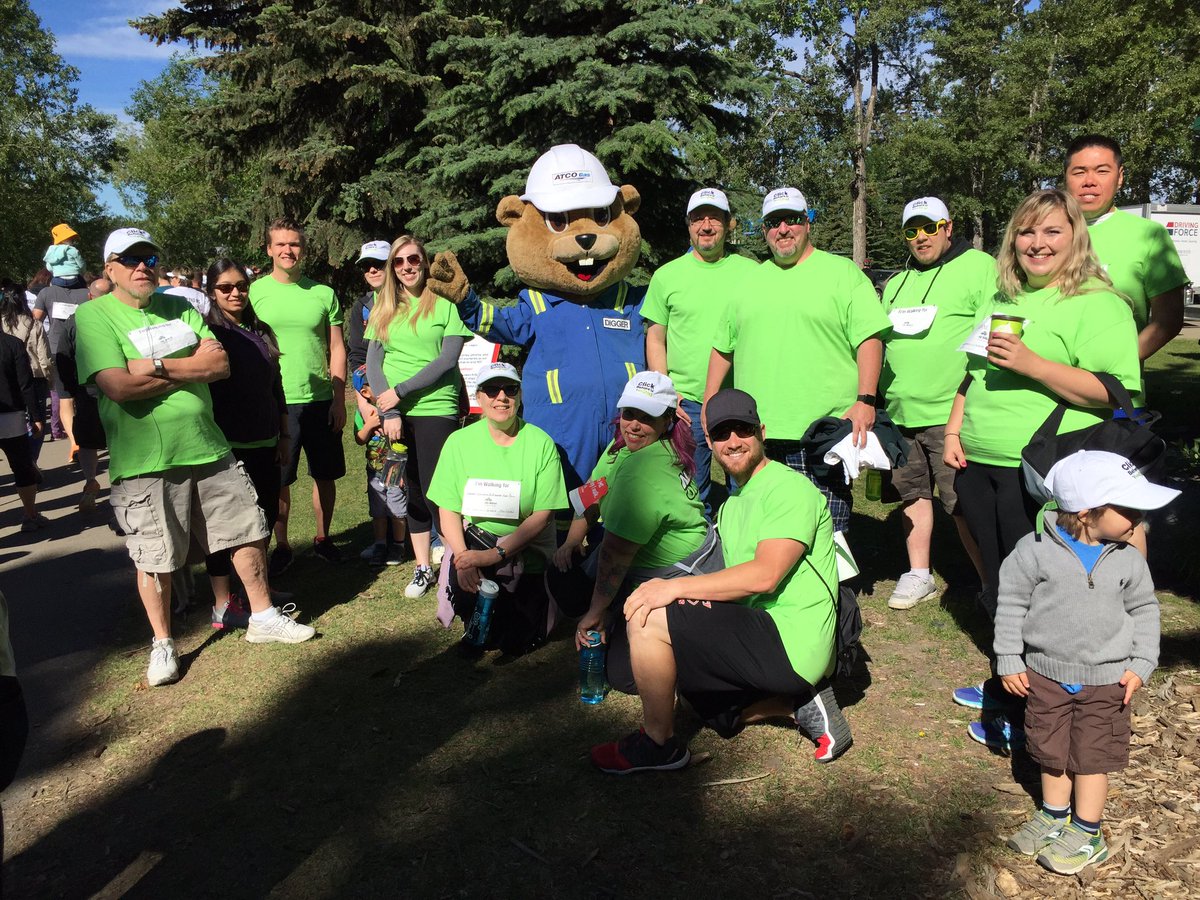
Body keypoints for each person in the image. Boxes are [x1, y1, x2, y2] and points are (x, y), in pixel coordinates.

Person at [942, 190, 1142, 747]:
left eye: (1052, 231)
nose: (1037, 243)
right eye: (1027, 232)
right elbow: (971, 376)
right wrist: (956, 432)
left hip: (1041, 467)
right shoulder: (1001, 297)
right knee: (1004, 585)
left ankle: (1036, 709)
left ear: (1075, 236)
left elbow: (1116, 393)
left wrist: (1034, 365)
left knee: (1039, 592)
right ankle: (1012, 681)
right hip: (978, 459)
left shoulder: (1098, 303)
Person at [76, 228, 315, 687]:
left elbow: (219, 365)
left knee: (247, 530)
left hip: (208, 446)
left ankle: (263, 616)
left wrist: (154, 367)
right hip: (144, 460)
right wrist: (187, 369)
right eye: (129, 259)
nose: (142, 266)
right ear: (110, 269)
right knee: (156, 556)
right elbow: (118, 386)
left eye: (148, 257)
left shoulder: (182, 307)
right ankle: (163, 644)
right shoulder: (94, 317)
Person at [590, 389, 851, 774]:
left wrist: (673, 588)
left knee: (650, 617)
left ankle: (657, 745)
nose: (733, 442)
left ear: (761, 432)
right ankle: (796, 703)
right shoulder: (733, 503)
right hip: (758, 632)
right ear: (708, 442)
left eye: (742, 430)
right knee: (701, 705)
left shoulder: (788, 488)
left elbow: (765, 575)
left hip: (792, 639)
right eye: (722, 433)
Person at [994, 449, 1177, 875]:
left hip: (1108, 681)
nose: (1137, 519)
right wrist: (1008, 657)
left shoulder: (1128, 558)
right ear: (1086, 510)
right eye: (1128, 508)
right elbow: (1011, 604)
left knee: (1092, 756)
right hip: (1045, 675)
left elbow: (1145, 611)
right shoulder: (1034, 550)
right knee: (1050, 750)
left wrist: (1142, 661)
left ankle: (1087, 830)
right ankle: (1054, 815)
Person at [705, 187, 891, 533]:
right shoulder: (749, 282)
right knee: (759, 529)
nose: (783, 229)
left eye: (793, 219)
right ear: (763, 230)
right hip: (756, 434)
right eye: (774, 222)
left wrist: (866, 400)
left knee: (826, 532)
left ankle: (831, 589)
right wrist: (708, 399)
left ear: (808, 223)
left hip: (823, 431)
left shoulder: (843, 273)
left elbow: (870, 338)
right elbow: (722, 347)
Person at [555, 372, 713, 683]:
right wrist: (571, 543)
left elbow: (615, 555)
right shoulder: (622, 451)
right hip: (645, 564)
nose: (634, 425)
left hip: (677, 573)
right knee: (562, 577)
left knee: (624, 675)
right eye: (629, 414)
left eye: (647, 417)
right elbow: (590, 497)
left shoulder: (644, 470)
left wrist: (595, 613)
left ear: (667, 420)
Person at [879, 197, 989, 609]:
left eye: (928, 227)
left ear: (948, 227)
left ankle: (991, 585)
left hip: (951, 415)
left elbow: (990, 331)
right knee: (912, 495)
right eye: (911, 230)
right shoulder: (897, 282)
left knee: (962, 506)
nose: (920, 237)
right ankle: (919, 574)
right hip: (901, 412)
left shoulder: (979, 267)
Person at [427, 362, 567, 655]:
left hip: (526, 552)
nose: (501, 397)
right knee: (479, 616)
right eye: (492, 389)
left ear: (520, 395)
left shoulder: (541, 443)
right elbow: (448, 508)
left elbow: (543, 515)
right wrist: (463, 558)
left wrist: (496, 553)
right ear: (479, 397)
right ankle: (472, 608)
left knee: (516, 640)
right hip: (473, 545)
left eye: (510, 389)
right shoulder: (459, 442)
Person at [366, 235, 471, 598]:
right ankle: (423, 567)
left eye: (413, 259)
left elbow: (447, 359)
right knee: (406, 485)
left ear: (424, 262)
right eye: (398, 261)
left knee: (434, 489)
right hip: (395, 413)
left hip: (435, 407)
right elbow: (372, 364)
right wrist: (389, 408)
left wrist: (401, 392)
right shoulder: (384, 305)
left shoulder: (444, 303)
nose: (407, 267)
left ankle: (459, 562)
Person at [642, 187, 758, 516]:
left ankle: (746, 552)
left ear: (729, 223)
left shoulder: (752, 273)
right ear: (688, 224)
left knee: (747, 486)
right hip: (687, 402)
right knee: (692, 490)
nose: (706, 225)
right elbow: (656, 338)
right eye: (698, 218)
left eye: (714, 218)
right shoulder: (667, 277)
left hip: (742, 398)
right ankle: (699, 554)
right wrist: (666, 392)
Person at [249, 217, 348, 573]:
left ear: (302, 249)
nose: (288, 250)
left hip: (320, 398)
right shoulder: (254, 292)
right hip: (277, 401)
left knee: (326, 474)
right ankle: (283, 545)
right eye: (281, 244)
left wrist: (338, 397)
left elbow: (337, 347)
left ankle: (323, 538)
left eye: (294, 244)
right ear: (269, 250)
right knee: (280, 479)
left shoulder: (323, 294)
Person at [201, 260, 290, 630]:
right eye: (225, 287)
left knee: (264, 517)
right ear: (212, 292)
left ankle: (258, 587)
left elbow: (276, 386)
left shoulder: (260, 330)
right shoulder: (207, 334)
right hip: (227, 444)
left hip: (266, 438)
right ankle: (223, 601)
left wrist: (284, 434)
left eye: (241, 285)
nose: (236, 292)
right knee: (226, 527)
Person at [1063, 134, 1187, 362]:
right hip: (1038, 389)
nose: (1089, 181)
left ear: (1119, 177)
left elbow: (1168, 320)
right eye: (1079, 171)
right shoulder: (1039, 235)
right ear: (1066, 178)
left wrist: (1118, 366)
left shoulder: (1148, 235)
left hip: (1109, 391)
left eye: (1102, 171)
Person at [56, 278, 110, 512]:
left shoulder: (74, 322)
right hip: (118, 390)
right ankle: (120, 488)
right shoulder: (119, 317)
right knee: (118, 440)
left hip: (87, 391)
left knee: (88, 442)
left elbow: (62, 357)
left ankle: (90, 480)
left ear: (89, 296)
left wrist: (69, 388)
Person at [32, 264, 91, 455]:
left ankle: (74, 441)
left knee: (65, 397)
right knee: (87, 394)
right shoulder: (87, 293)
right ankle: (91, 435)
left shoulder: (46, 294)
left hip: (57, 350)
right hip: (87, 348)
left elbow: (35, 321)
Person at [353, 369, 408, 567]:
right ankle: (380, 544)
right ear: (366, 392)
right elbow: (359, 439)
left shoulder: (394, 409)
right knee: (378, 510)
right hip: (374, 470)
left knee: (396, 508)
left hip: (395, 467)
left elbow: (403, 440)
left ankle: (399, 545)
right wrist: (369, 425)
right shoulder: (363, 413)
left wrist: (402, 470)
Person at [0, 319, 45, 532]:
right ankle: (30, 513)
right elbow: (25, 384)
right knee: (21, 466)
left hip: (11, 413)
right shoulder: (12, 344)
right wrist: (35, 416)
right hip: (12, 415)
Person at [0, 282, 52, 462]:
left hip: (7, 378)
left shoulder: (1, 323)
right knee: (36, 422)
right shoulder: (34, 324)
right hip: (34, 377)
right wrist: (50, 379)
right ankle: (31, 461)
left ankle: (19, 461)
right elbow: (44, 358)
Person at [43, 223, 86, 289]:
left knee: (52, 287)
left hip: (57, 280)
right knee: (84, 285)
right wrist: (82, 272)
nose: (72, 239)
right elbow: (81, 265)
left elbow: (49, 267)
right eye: (71, 238)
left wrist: (57, 272)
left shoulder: (51, 251)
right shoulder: (72, 249)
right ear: (65, 238)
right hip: (74, 279)